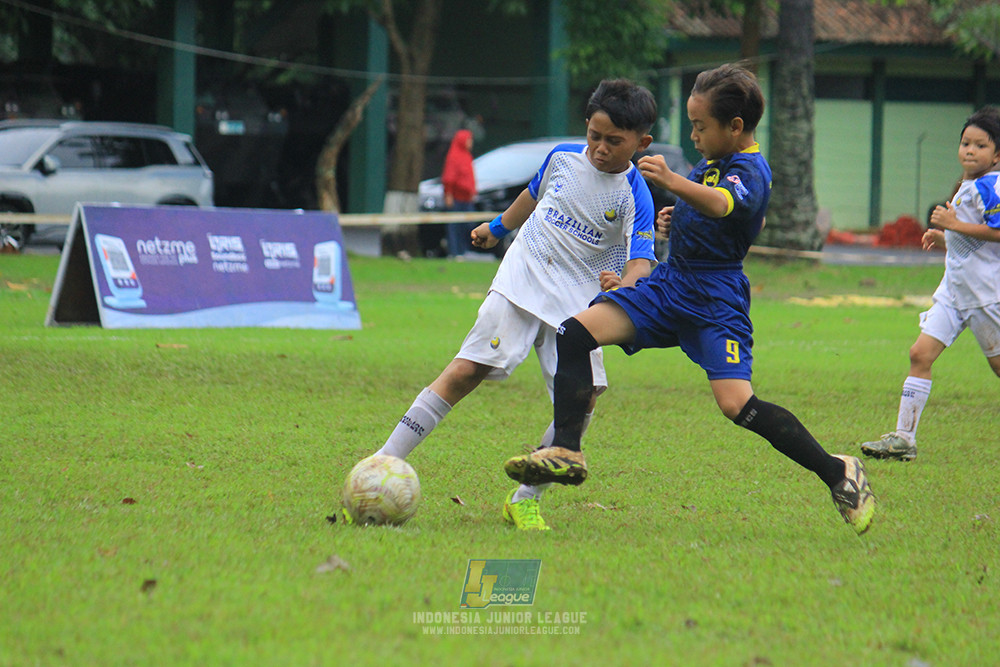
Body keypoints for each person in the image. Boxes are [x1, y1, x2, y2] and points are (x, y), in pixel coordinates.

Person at [503, 63, 876, 534]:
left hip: (715, 300)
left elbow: (723, 204)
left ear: (734, 126)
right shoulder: (716, 162)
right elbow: (719, 213)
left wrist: (674, 181)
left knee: (738, 405)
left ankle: (839, 472)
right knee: (574, 333)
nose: (694, 135)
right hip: (669, 285)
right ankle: (566, 450)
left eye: (700, 126)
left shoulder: (750, 169)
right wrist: (677, 220)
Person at [365, 79, 659, 530]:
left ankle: (524, 499)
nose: (600, 148)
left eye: (614, 141)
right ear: (586, 127)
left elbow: (641, 258)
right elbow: (533, 194)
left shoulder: (634, 193)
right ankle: (382, 464)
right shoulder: (561, 157)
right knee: (467, 370)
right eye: (594, 136)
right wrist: (498, 228)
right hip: (524, 276)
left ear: (642, 143)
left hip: (577, 304)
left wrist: (624, 287)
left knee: (583, 402)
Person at [860, 106, 1000, 462]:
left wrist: (952, 226)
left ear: (996, 154)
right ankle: (904, 439)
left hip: (985, 295)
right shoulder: (968, 184)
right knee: (919, 354)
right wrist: (944, 238)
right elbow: (971, 238)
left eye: (980, 145)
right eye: (965, 143)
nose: (970, 150)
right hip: (955, 292)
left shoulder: (992, 185)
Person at [441, 129, 480, 258]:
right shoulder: (454, 156)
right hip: (456, 198)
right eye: (468, 139)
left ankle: (464, 250)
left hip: (467, 198)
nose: (470, 142)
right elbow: (449, 177)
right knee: (455, 226)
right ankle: (454, 252)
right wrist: (448, 194)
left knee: (468, 226)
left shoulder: (467, 156)